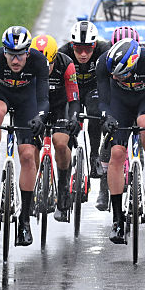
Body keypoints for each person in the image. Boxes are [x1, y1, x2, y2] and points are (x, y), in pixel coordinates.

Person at [0, 26, 49, 247]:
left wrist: (40, 118)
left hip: (28, 102)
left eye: (20, 55)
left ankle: (24, 220)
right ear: (4, 52)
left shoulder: (38, 61)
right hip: (2, 96)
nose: (15, 60)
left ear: (28, 52)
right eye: (10, 54)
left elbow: (44, 98)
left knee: (27, 155)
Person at [96, 38, 145, 244]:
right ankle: (117, 219)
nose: (118, 78)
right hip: (119, 103)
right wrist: (106, 117)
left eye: (123, 74)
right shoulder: (103, 63)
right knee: (117, 154)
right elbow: (103, 99)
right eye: (114, 76)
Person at [61, 20, 112, 210]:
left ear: (95, 46)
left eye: (88, 49)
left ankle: (93, 156)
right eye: (79, 49)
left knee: (95, 112)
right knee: (67, 122)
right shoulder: (63, 53)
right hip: (70, 89)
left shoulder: (104, 50)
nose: (83, 54)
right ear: (72, 45)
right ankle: (65, 173)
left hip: (93, 89)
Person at [32, 35, 82, 222]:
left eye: (48, 65)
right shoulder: (26, 64)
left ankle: (62, 190)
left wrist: (75, 117)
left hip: (61, 106)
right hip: (37, 108)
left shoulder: (66, 63)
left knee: (60, 143)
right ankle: (32, 188)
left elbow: (74, 97)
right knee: (30, 148)